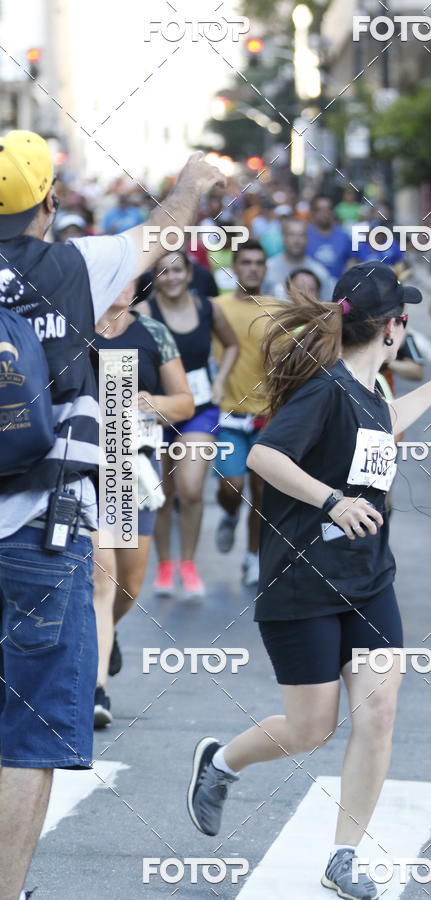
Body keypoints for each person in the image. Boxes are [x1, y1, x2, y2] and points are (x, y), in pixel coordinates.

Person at [186, 261, 431, 900]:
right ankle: (220, 764)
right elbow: (263, 455)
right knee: (312, 728)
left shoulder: (372, 393)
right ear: (394, 327)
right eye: (405, 315)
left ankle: (344, 857)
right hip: (302, 583)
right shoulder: (324, 389)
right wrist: (333, 500)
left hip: (369, 581)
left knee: (380, 711)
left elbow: (384, 430)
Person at [0, 130, 224, 900]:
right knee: (28, 735)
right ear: (50, 204)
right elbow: (165, 229)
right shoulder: (76, 266)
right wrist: (194, 178)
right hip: (43, 526)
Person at [91, 282, 193, 725]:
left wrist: (150, 403)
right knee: (101, 579)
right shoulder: (73, 327)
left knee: (128, 582)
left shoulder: (152, 332)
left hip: (133, 472)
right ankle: (96, 689)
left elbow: (186, 402)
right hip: (87, 468)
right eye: (119, 275)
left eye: (134, 277)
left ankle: (104, 636)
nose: (127, 284)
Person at [137, 250, 238, 598]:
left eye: (177, 270)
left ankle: (188, 564)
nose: (172, 278)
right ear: (155, 278)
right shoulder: (145, 313)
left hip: (199, 409)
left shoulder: (208, 308)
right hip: (159, 412)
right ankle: (165, 566)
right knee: (161, 494)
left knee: (191, 488)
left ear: (189, 273)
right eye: (163, 272)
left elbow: (233, 345)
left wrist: (221, 379)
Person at [212, 240, 280, 587]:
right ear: (234, 268)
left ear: (265, 269)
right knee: (232, 487)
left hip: (268, 417)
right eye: (246, 262)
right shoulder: (217, 307)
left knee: (262, 492)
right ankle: (228, 512)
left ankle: (253, 556)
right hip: (227, 414)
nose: (252, 268)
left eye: (258, 263)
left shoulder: (279, 309)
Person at [263, 217, 333, 301]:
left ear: (308, 239)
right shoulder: (267, 268)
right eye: (291, 234)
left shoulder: (319, 272)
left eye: (301, 235)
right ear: (283, 238)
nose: (297, 240)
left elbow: (327, 307)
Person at [307, 194, 356, 279]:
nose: (324, 213)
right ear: (312, 212)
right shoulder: (305, 234)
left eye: (328, 209)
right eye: (319, 210)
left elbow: (353, 260)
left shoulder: (344, 236)